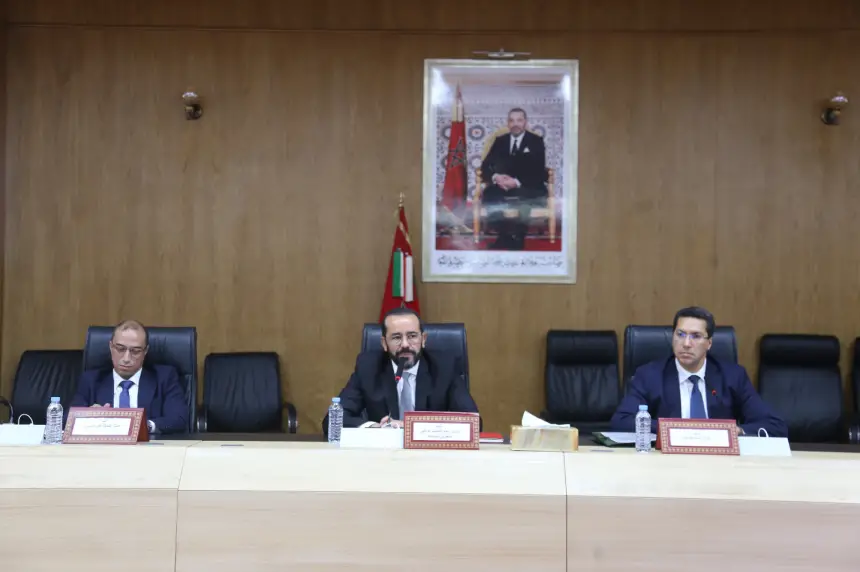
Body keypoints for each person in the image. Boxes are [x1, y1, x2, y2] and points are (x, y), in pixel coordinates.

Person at [610, 306, 787, 437]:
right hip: (667, 463)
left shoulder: (733, 376)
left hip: (721, 464)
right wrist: (677, 430)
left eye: (696, 336)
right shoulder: (650, 375)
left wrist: (736, 431)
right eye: (680, 334)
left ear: (709, 343)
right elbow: (621, 421)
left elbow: (775, 426)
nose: (686, 343)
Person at [332, 308, 479, 430]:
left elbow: (474, 422)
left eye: (412, 336)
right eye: (396, 337)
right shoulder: (369, 367)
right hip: (383, 452)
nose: (405, 345)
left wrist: (411, 427)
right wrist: (375, 428)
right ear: (384, 343)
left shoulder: (444, 366)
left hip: (430, 452)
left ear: (423, 339)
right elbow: (334, 420)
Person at [69, 319, 187, 434]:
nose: (126, 359)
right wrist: (87, 416)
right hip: (104, 445)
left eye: (135, 351)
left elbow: (178, 419)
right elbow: (66, 419)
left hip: (147, 446)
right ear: (111, 347)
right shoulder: (91, 380)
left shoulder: (164, 378)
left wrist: (144, 426)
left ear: (145, 351)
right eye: (120, 349)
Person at [479, 107, 548, 250]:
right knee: (489, 195)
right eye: (511, 120)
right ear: (508, 123)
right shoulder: (500, 141)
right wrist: (496, 177)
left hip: (527, 185)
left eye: (519, 120)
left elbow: (538, 170)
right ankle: (504, 236)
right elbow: (486, 165)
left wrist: (516, 182)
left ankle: (517, 238)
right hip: (502, 186)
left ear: (525, 122)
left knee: (524, 200)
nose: (515, 124)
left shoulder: (536, 141)